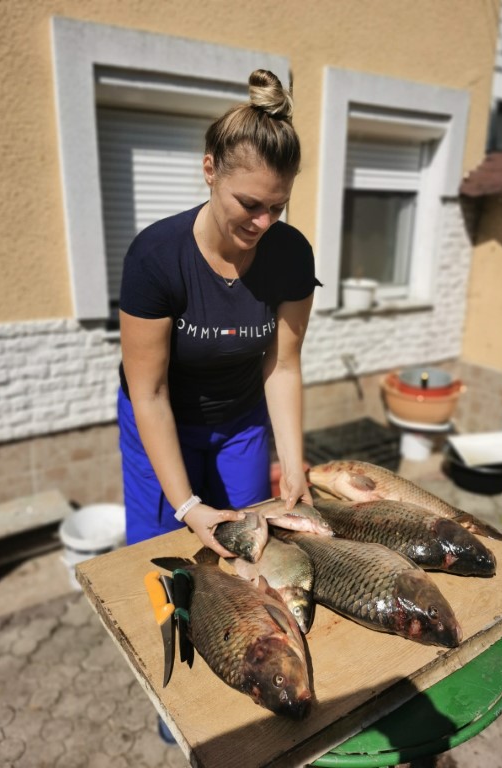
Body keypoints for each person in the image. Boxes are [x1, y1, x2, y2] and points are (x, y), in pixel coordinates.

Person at [117, 69, 321, 560]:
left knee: (251, 545)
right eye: (249, 204)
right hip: (162, 418)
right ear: (210, 169)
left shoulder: (292, 254)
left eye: (278, 207)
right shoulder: (155, 258)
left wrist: (292, 463)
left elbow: (283, 365)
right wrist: (187, 506)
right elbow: (149, 392)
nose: (263, 223)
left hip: (241, 423)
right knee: (166, 556)